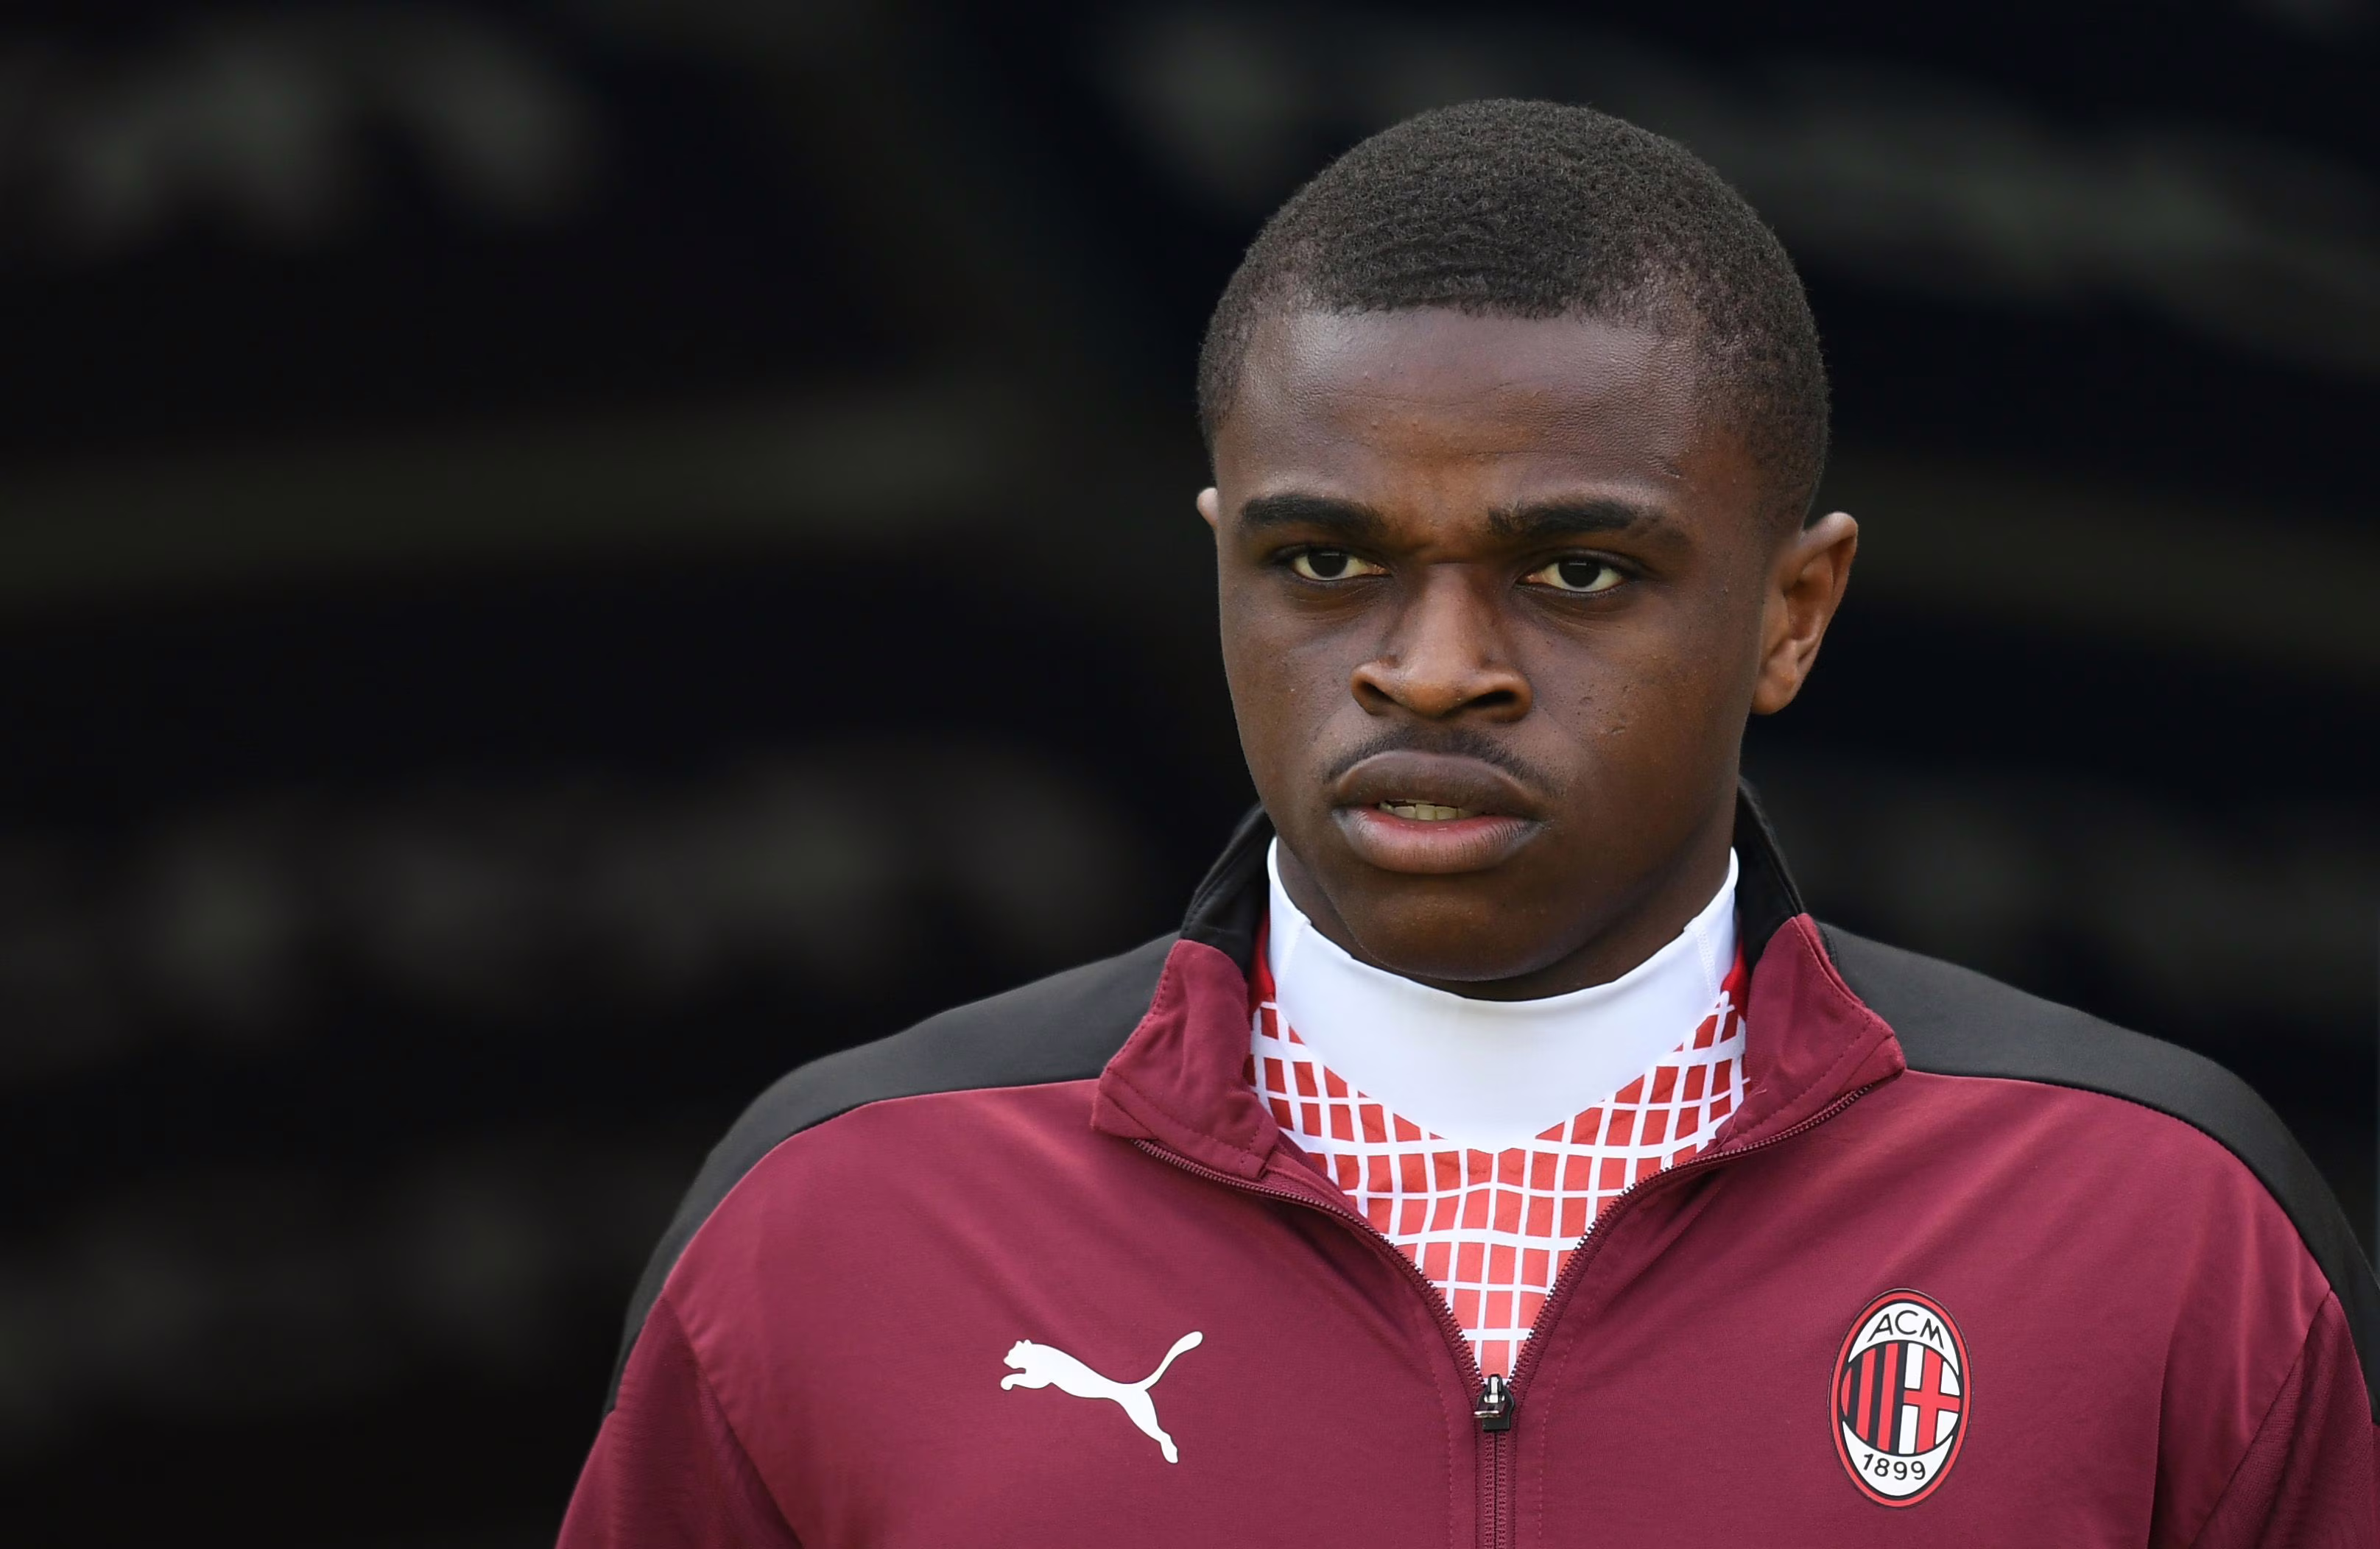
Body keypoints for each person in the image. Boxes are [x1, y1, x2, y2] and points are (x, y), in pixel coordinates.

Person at [557, 100, 2377, 1546]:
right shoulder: (842, 1210)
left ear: (1790, 612)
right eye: (1321, 561)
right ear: (1218, 568)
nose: (1431, 670)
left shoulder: (2152, 1215)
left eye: (1573, 569)